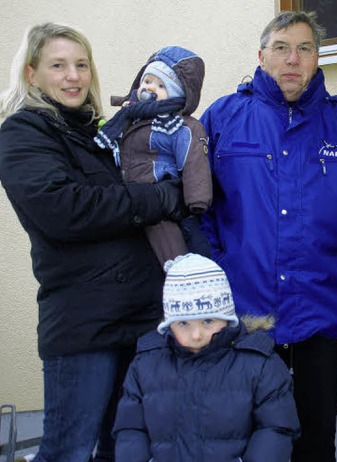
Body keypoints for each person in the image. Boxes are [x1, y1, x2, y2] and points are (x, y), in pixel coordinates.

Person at [198, 11, 337, 462]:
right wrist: (219, 272)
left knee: (315, 441)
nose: (293, 59)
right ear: (261, 55)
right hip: (244, 318)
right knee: (246, 441)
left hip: (320, 316)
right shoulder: (223, 118)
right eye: (282, 48)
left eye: (305, 48)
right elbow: (198, 210)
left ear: (317, 58)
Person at [0, 23, 186, 462]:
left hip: (138, 318)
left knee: (122, 449)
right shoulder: (23, 133)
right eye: (58, 66)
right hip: (84, 326)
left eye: (81, 65)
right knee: (68, 450)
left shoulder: (95, 131)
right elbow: (66, 210)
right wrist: (159, 198)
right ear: (31, 74)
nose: (73, 76)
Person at [112, 253, 300, 461]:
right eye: (183, 324)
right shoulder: (146, 364)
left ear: (226, 318)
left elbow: (275, 428)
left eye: (208, 322)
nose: (196, 334)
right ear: (169, 324)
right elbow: (130, 429)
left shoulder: (259, 363)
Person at [95, 46, 212, 265]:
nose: (151, 88)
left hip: (158, 198)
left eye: (161, 86)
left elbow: (194, 162)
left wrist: (197, 200)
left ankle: (181, 274)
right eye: (147, 81)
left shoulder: (180, 126)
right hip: (126, 197)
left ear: (177, 93)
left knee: (169, 242)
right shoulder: (128, 115)